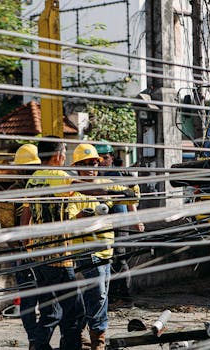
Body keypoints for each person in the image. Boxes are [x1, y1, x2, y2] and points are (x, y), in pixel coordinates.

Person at [20, 138, 84, 350]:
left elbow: (26, 214)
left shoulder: (33, 180)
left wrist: (27, 243)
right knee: (75, 311)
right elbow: (88, 190)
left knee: (51, 310)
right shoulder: (60, 177)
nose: (65, 157)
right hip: (60, 257)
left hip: (39, 256)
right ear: (58, 156)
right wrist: (115, 190)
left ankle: (37, 345)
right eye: (64, 152)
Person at [0, 144, 54, 349]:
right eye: (25, 169)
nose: (28, 173)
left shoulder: (45, 187)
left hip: (47, 254)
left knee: (51, 303)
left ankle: (39, 341)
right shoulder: (10, 196)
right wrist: (20, 252)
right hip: (25, 256)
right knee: (29, 302)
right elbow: (7, 232)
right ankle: (35, 341)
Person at [70, 144, 115, 350]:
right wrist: (82, 215)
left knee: (100, 296)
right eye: (85, 164)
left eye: (94, 163)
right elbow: (69, 220)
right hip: (87, 252)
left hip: (106, 250)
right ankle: (97, 341)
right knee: (97, 296)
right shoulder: (73, 189)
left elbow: (128, 196)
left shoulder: (105, 183)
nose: (90, 168)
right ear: (77, 167)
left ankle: (84, 334)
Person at [95, 141, 144, 306]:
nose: (102, 161)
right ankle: (111, 297)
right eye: (99, 158)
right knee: (105, 259)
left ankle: (125, 297)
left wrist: (137, 221)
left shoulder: (118, 174)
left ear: (112, 157)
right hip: (101, 224)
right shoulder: (93, 174)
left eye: (105, 157)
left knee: (119, 258)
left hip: (119, 221)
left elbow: (130, 198)